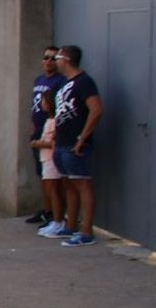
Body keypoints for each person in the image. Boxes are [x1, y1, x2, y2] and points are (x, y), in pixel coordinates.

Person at [52, 45, 103, 247]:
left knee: (83, 184)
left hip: (76, 144)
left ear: (66, 59)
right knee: (69, 184)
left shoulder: (84, 82)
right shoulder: (67, 83)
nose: (55, 62)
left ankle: (86, 231)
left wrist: (82, 138)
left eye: (57, 58)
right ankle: (70, 225)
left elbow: (96, 110)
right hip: (62, 143)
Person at [26, 46, 66, 226]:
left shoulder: (60, 82)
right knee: (43, 176)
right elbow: (35, 106)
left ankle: (56, 215)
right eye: (46, 58)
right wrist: (33, 126)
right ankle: (47, 210)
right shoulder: (39, 80)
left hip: (50, 132)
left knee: (53, 178)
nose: (49, 61)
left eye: (53, 58)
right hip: (38, 131)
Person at [31, 89, 66, 239]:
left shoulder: (56, 121)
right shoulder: (49, 120)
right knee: (49, 190)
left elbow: (54, 143)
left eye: (44, 101)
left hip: (52, 159)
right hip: (45, 159)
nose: (42, 104)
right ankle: (54, 219)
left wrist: (39, 143)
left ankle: (58, 220)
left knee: (54, 191)